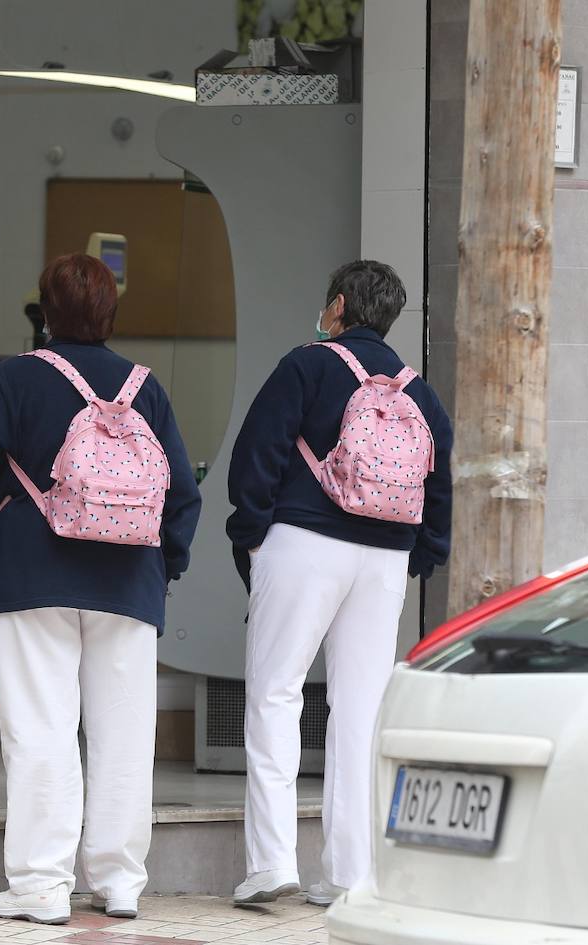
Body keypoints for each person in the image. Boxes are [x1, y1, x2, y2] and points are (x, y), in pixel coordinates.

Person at [0, 254, 202, 925]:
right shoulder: (146, 388)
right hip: (129, 582)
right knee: (124, 733)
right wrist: (163, 564)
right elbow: (183, 494)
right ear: (111, 312)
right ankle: (118, 882)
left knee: (42, 730)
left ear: (46, 312)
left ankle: (41, 886)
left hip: (34, 575)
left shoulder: (18, 378)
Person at [226, 260, 453, 907]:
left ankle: (271, 861)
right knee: (359, 712)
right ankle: (349, 873)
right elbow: (440, 494)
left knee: (275, 693)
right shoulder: (421, 395)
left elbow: (256, 456)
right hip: (383, 560)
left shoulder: (307, 365)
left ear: (339, 306)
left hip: (303, 543)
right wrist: (418, 557)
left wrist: (252, 532)